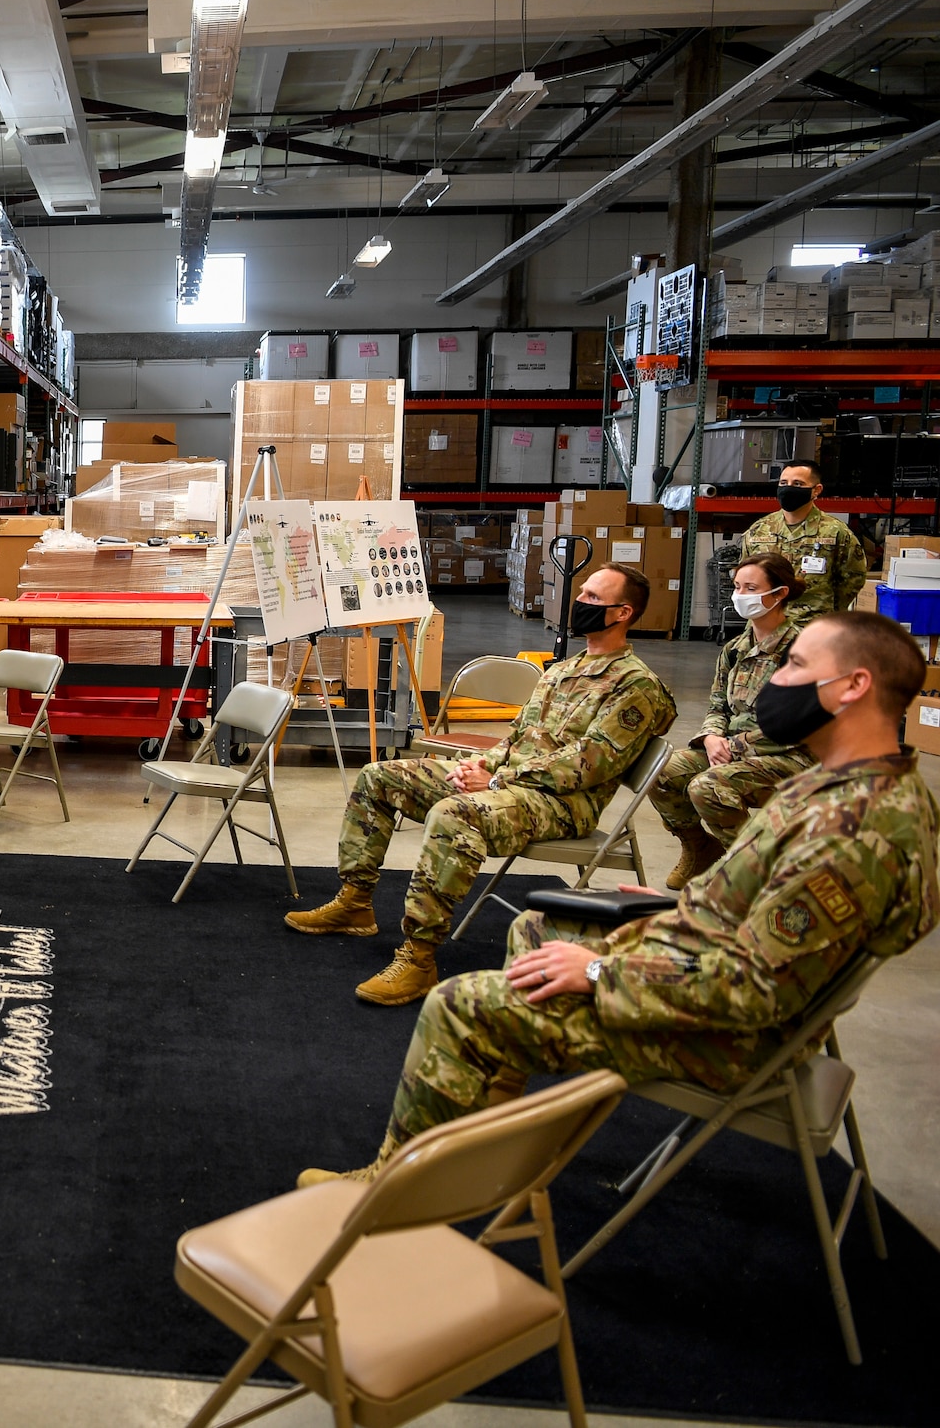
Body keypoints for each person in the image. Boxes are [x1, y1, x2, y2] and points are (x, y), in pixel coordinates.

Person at [299, 610, 940, 1187]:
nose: (776, 679)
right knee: (542, 926)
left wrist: (603, 969)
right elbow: (758, 917)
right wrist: (678, 910)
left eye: (797, 665)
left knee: (460, 1005)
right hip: (703, 961)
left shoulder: (853, 833)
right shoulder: (839, 789)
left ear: (854, 686)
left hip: (728, 1039)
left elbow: (755, 991)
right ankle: (491, 1142)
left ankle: (399, 1186)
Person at [285, 562, 677, 1006]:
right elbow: (517, 737)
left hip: (564, 804)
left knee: (453, 816)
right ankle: (355, 901)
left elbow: (590, 765)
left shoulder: (637, 687)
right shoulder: (564, 669)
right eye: (582, 592)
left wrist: (497, 777)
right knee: (379, 776)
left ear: (623, 613)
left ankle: (418, 957)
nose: (579, 602)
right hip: (512, 786)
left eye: (591, 597)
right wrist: (477, 766)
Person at [652, 553, 814, 889]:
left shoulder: (804, 649)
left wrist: (733, 745)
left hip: (790, 757)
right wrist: (712, 738)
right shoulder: (735, 649)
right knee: (662, 773)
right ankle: (699, 850)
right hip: (733, 751)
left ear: (779, 594)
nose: (739, 595)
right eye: (738, 586)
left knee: (708, 787)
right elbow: (717, 705)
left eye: (751, 587)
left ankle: (755, 872)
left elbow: (800, 723)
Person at [740, 459, 867, 623]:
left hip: (814, 626)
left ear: (816, 490)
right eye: (784, 483)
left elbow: (853, 578)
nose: (788, 488)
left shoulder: (835, 532)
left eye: (798, 484)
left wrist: (830, 610)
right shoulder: (759, 530)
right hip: (767, 624)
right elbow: (745, 575)